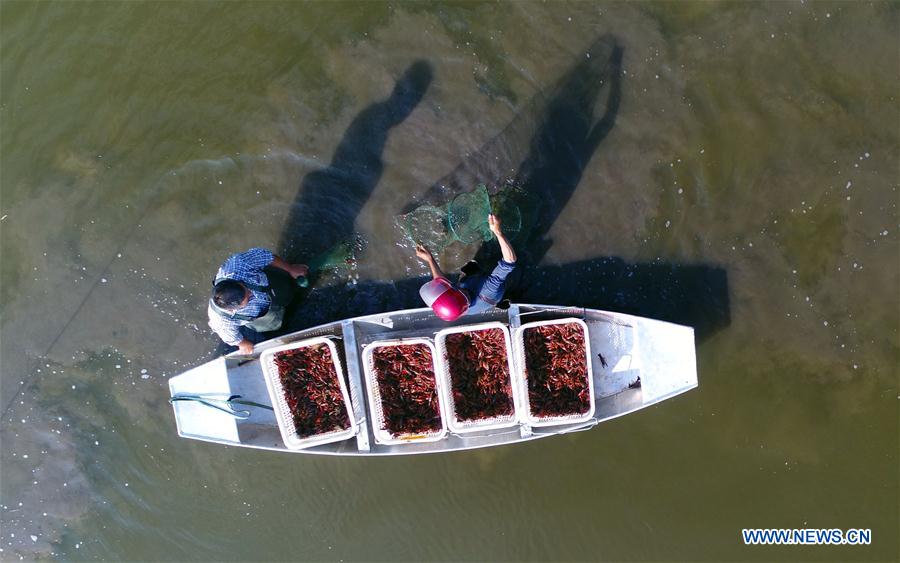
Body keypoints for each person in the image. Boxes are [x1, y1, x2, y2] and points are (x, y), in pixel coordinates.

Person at [415, 214, 517, 321]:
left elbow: (440, 281)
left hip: (471, 285)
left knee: (469, 268)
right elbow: (509, 262)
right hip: (491, 294)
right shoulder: (488, 289)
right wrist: (497, 232)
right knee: (506, 277)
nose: (448, 285)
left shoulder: (458, 306)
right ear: (457, 292)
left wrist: (430, 259)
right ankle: (504, 298)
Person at [208, 248, 308, 354]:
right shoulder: (222, 321)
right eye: (248, 298)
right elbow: (231, 337)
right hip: (260, 315)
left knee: (287, 287)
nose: (251, 292)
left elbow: (265, 257)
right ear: (232, 310)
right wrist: (243, 344)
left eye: (245, 288)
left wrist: (290, 268)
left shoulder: (237, 265)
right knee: (279, 324)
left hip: (269, 285)